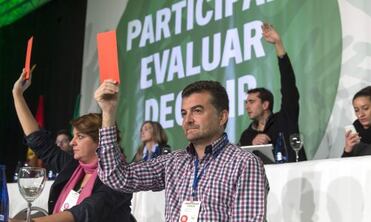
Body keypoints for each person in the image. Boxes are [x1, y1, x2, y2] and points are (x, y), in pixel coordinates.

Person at [95, 80, 268, 221]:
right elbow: (117, 176)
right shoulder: (173, 161)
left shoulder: (244, 163)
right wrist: (108, 112)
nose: (188, 120)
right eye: (184, 113)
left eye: (197, 111)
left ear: (222, 117)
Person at [12, 68, 134, 222]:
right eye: (74, 136)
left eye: (80, 137)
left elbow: (85, 212)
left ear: (100, 140)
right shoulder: (73, 166)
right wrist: (17, 94)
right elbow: (38, 142)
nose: (71, 142)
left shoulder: (120, 177)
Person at [239, 22, 306, 162]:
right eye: (246, 102)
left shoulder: (285, 118)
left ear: (265, 105)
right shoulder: (246, 135)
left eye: (251, 102)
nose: (247, 106)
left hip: (294, 178)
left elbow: (289, 86)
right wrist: (252, 144)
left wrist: (278, 44)